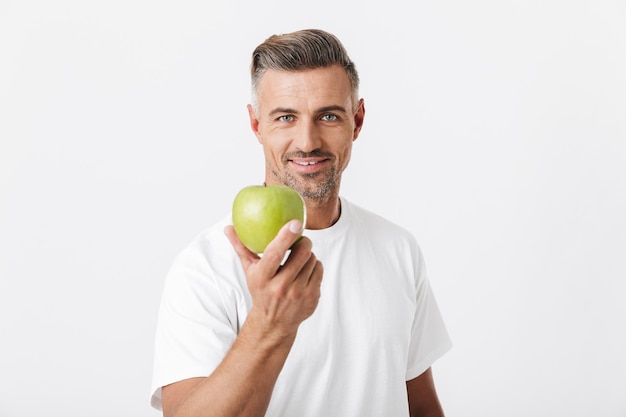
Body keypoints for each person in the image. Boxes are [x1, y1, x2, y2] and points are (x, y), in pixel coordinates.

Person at [150, 28, 452, 417]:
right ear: (257, 125)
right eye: (286, 117)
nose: (307, 141)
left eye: (328, 115)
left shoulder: (398, 249)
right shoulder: (204, 268)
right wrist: (269, 326)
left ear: (356, 121)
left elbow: (422, 407)